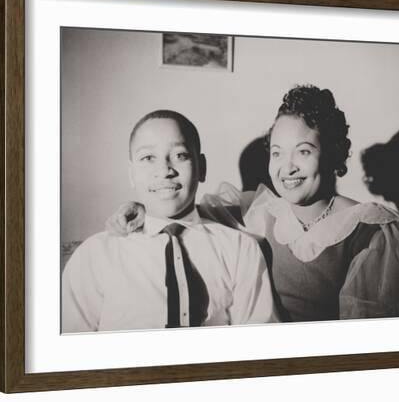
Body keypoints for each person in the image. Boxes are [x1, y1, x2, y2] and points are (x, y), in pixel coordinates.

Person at [107, 86, 399, 322]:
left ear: (333, 154)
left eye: (303, 151)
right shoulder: (260, 211)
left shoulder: (368, 229)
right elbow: (182, 211)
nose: (287, 167)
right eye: (277, 153)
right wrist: (142, 208)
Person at [62, 110, 278, 333]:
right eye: (148, 158)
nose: (165, 170)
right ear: (131, 173)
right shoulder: (94, 256)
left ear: (201, 167)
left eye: (180, 155)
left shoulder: (240, 249)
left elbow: (258, 340)